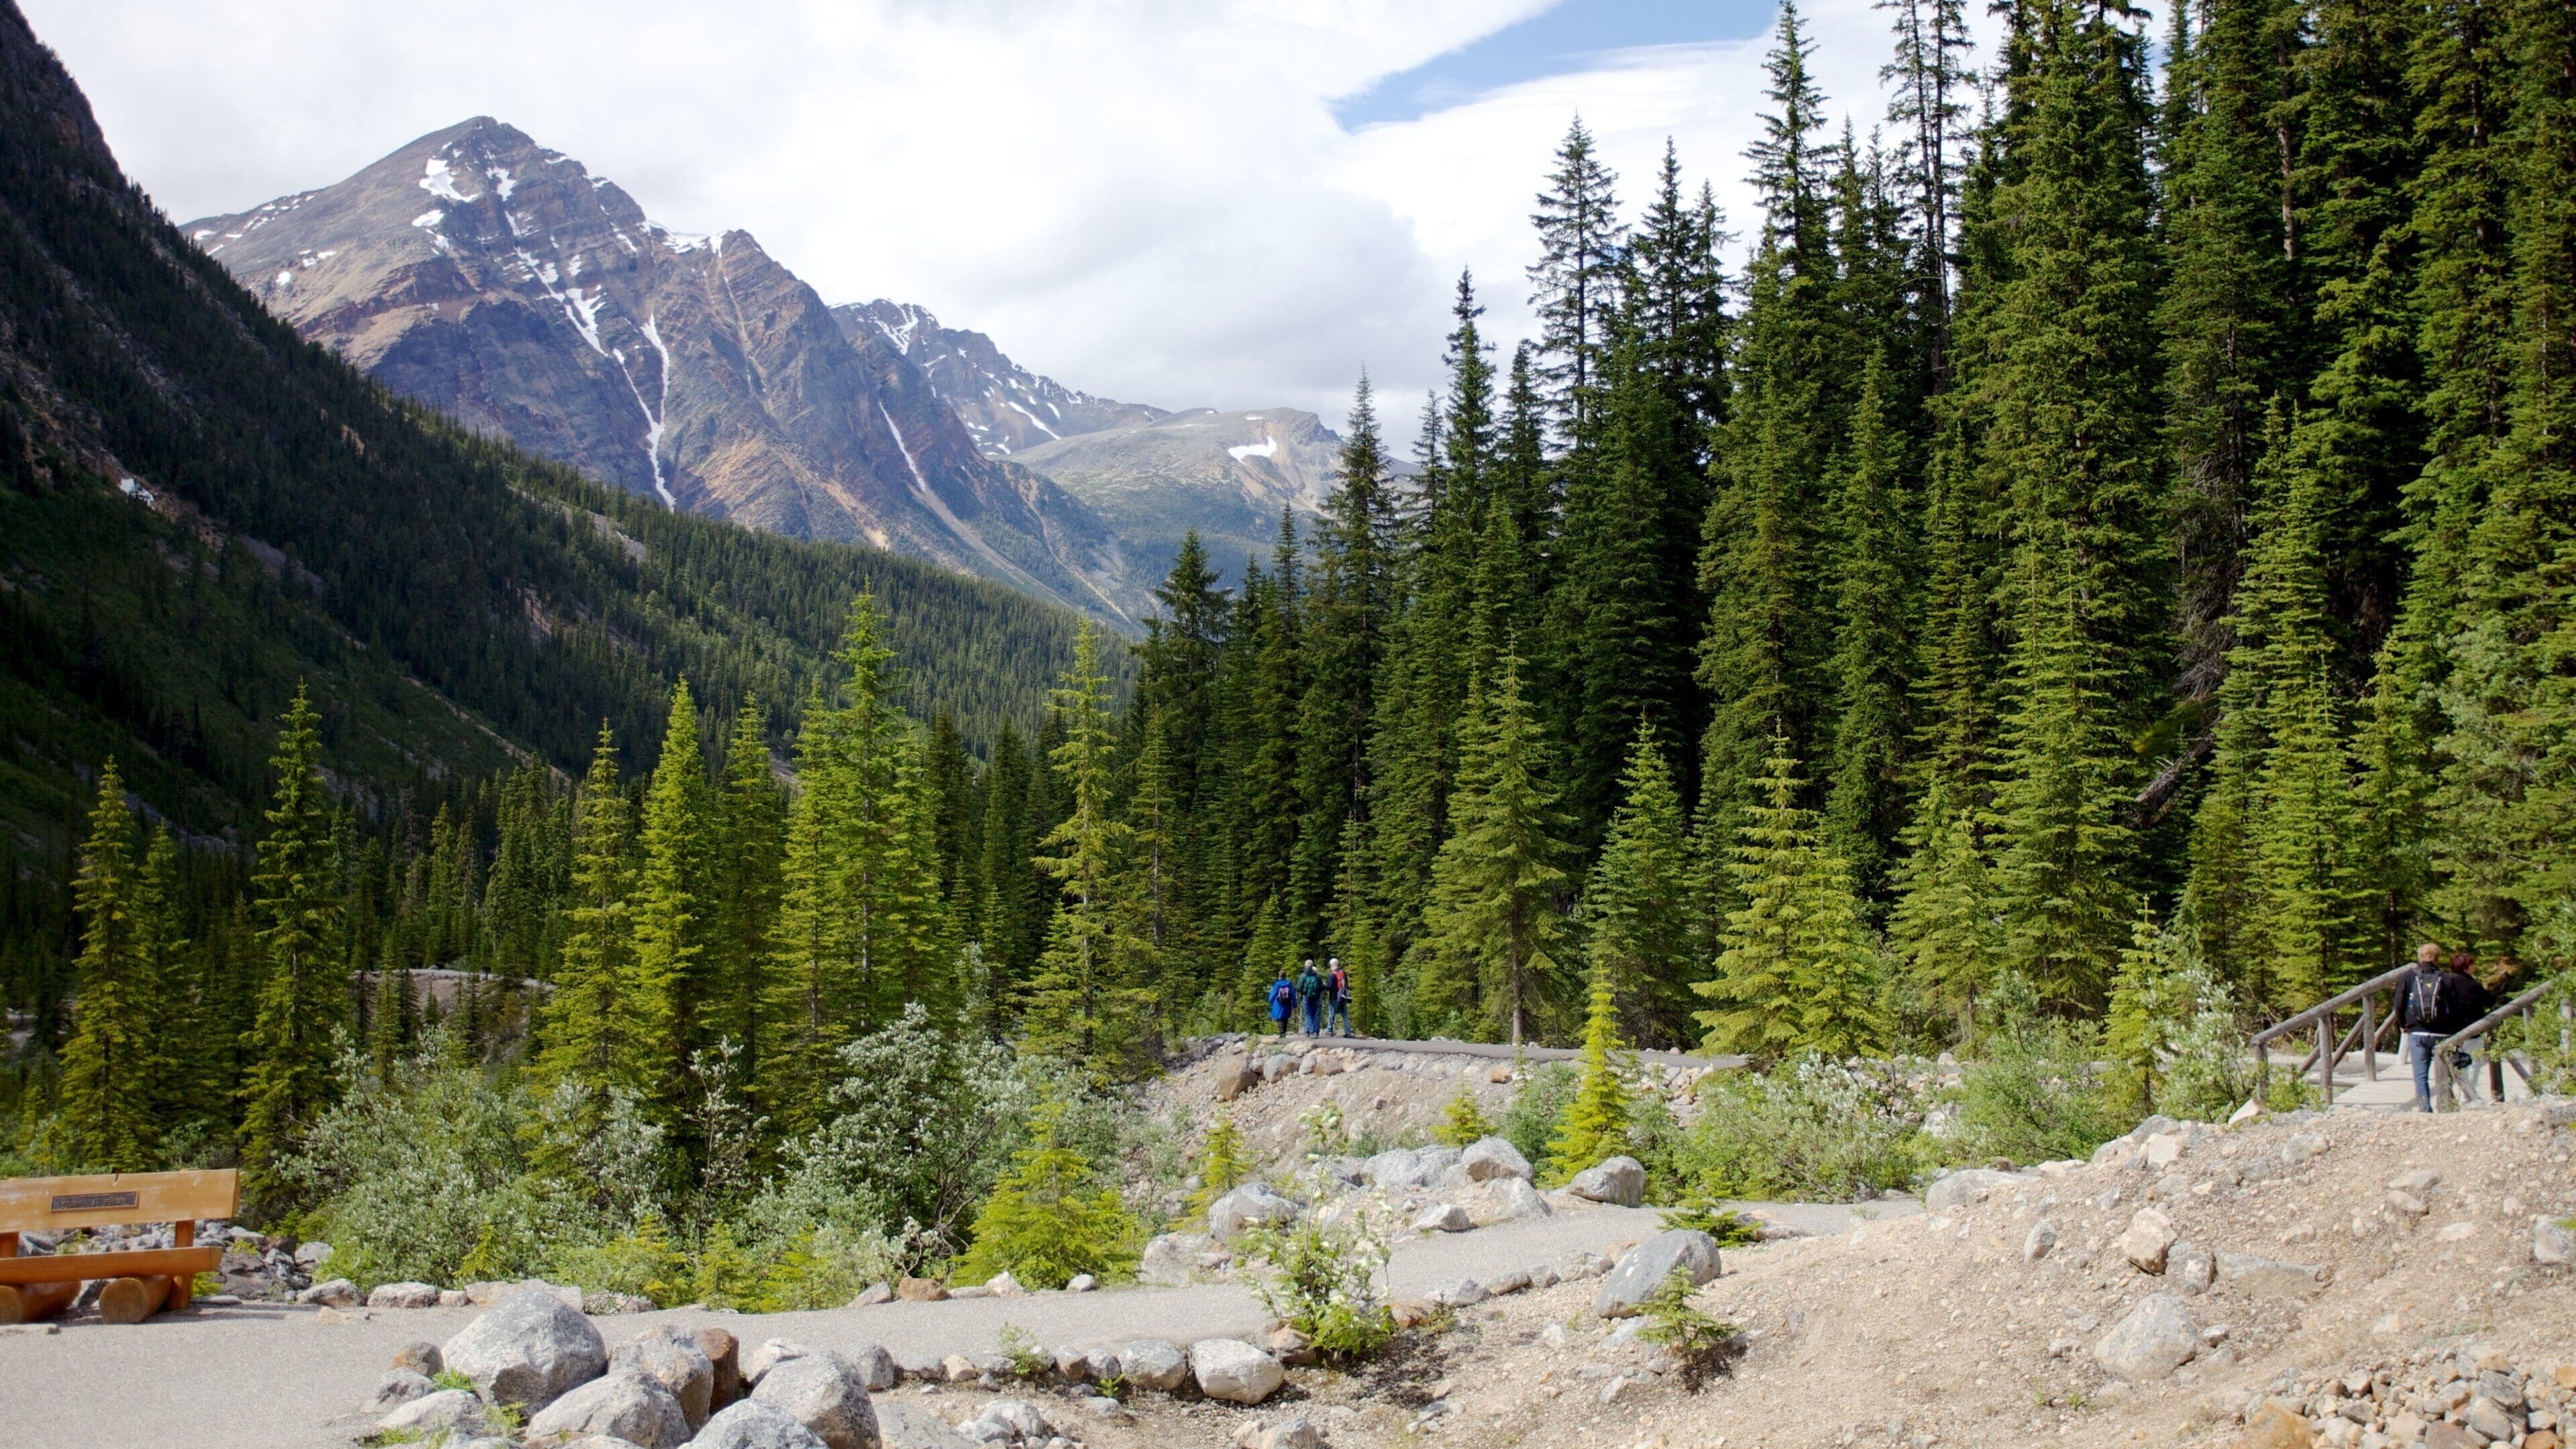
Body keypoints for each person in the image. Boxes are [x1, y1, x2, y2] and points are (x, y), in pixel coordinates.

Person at [2398, 943, 2493, 1110]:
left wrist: (2403, 1024)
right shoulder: (2445, 978)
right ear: (2438, 958)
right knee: (2447, 1072)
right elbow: (2455, 1008)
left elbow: (2399, 1003)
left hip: (2417, 1032)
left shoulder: (2409, 976)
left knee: (2420, 1075)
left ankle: (2425, 1108)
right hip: (2442, 1033)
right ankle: (2447, 1105)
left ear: (2420, 957)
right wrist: (2457, 1033)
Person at [1297, 957, 1324, 1036]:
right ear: (1312, 966)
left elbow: (1299, 988)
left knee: (1308, 1014)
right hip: (1316, 998)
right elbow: (1321, 987)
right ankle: (1316, 1031)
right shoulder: (1317, 976)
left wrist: (1303, 993)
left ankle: (1312, 1031)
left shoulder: (1303, 976)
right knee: (1315, 1014)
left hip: (1307, 997)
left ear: (1305, 966)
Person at [1326, 957, 1352, 1036]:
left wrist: (1324, 986)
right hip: (1343, 996)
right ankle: (1348, 1032)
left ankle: (1330, 1031)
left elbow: (1330, 987)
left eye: (1330, 966)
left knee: (1332, 1015)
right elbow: (1346, 985)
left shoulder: (1332, 975)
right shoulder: (1343, 973)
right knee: (1345, 1015)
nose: (1330, 967)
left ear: (1332, 965)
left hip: (1334, 997)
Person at [1267, 969, 1295, 1037]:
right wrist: (1295, 1003)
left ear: (1279, 976)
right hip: (1287, 1003)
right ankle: (1284, 1032)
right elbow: (1293, 994)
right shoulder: (1289, 984)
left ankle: (1281, 1033)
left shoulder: (1277, 984)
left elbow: (1273, 994)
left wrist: (1270, 1001)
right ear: (1285, 976)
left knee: (1280, 1018)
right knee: (1285, 1018)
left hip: (1279, 1004)